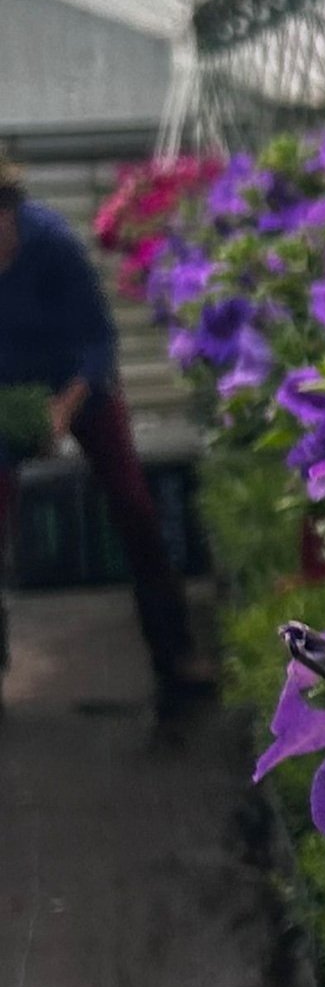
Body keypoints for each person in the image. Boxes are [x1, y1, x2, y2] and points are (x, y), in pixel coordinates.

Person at [0, 158, 213, 700]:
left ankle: (176, 653)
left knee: (135, 510)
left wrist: (64, 410)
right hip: (8, 394)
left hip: (81, 386)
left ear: (10, 211)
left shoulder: (51, 245)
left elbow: (98, 341)